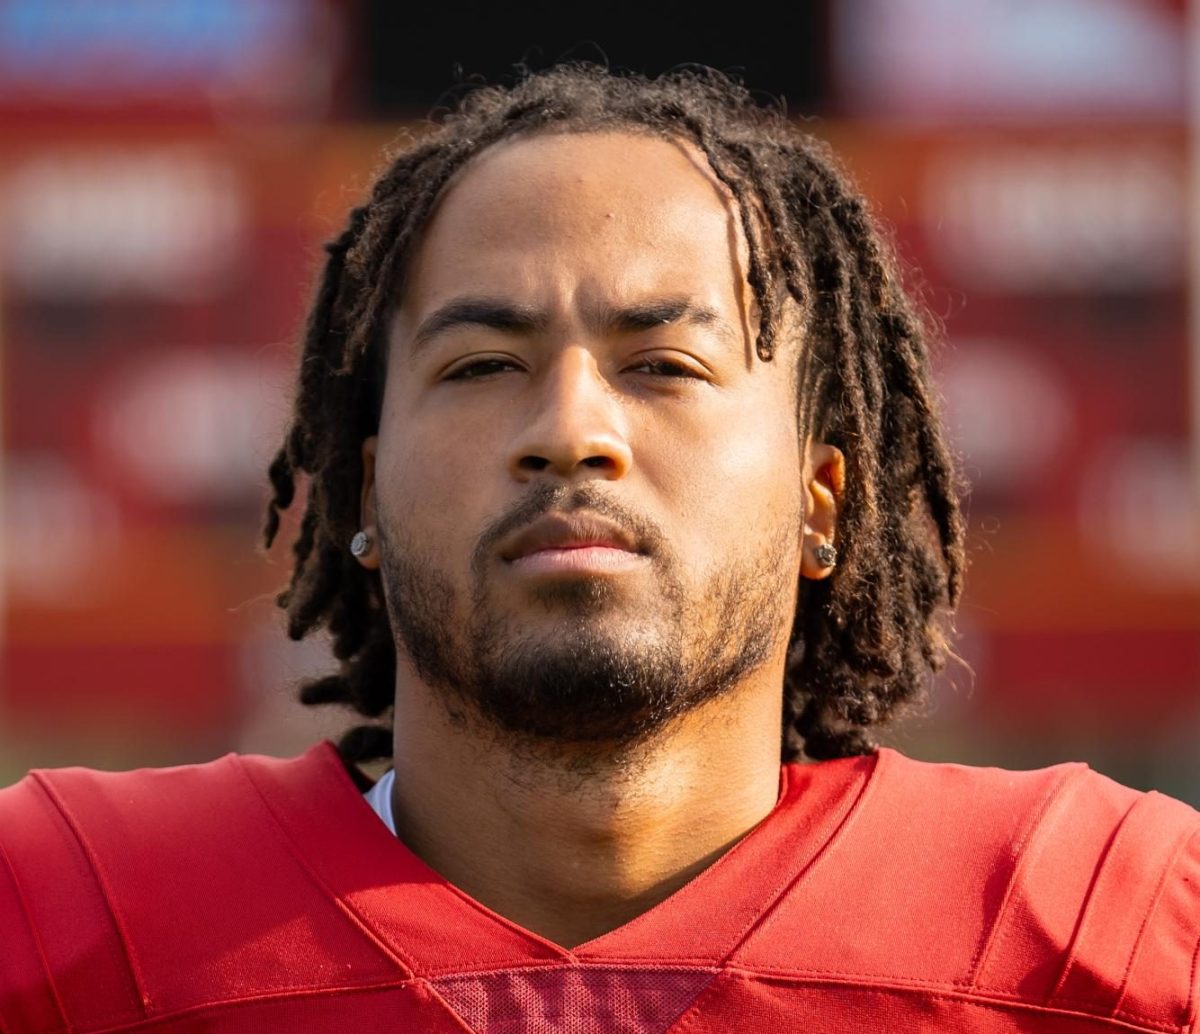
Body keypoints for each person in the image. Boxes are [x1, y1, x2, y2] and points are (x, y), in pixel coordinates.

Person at [1, 65, 1196, 1033]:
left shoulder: (1106, 925)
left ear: (821, 502)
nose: (571, 432)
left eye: (665, 364)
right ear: (365, 487)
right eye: (479, 366)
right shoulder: (58, 918)